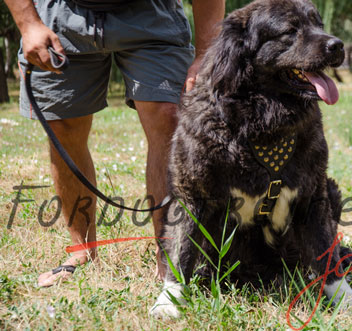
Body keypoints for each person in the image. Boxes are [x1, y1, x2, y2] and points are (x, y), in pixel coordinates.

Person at [4, 0, 225, 287]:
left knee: (167, 115)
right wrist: (29, 23)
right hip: (61, 12)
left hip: (151, 12)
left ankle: (170, 258)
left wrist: (206, 53)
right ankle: (82, 251)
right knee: (63, 124)